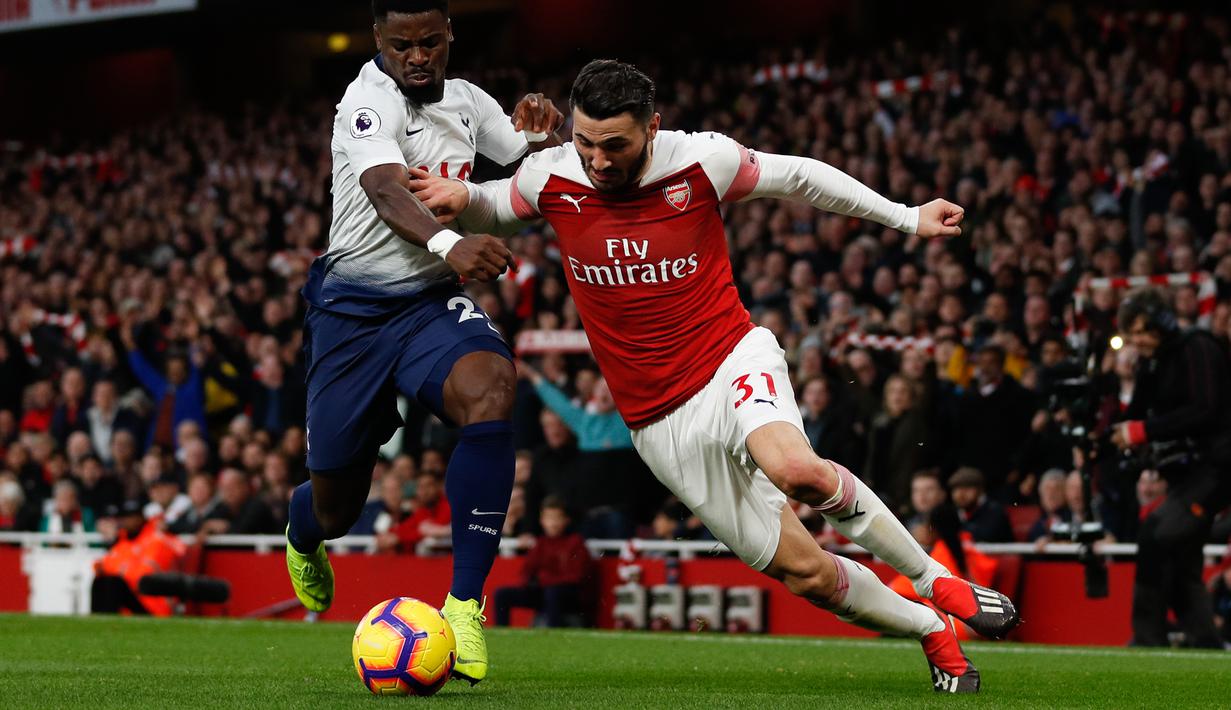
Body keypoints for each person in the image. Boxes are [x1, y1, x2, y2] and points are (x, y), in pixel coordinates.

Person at [412, 59, 1020, 692]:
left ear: (653, 127)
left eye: (615, 145)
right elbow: (493, 207)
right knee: (807, 573)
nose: (597, 160)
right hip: (657, 422)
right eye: (586, 142)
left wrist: (905, 216)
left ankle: (933, 578)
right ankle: (929, 627)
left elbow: (802, 177)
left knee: (795, 469)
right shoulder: (551, 175)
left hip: (729, 357)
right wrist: (464, 199)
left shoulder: (702, 162)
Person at [282, 0, 565, 685]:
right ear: (379, 40)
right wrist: (452, 240)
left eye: (430, 42)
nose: (417, 56)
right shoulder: (365, 102)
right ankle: (303, 528)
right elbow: (384, 189)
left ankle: (464, 605)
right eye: (402, 43)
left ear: (448, 38)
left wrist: (540, 128)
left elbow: (523, 157)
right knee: (336, 508)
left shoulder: (467, 101)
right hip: (350, 315)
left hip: (430, 304)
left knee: (492, 391)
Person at [1111, 288, 1231, 648]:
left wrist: (1141, 431)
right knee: (1181, 559)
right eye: (1132, 333)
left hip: (1218, 468)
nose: (1137, 340)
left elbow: (1204, 409)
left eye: (1142, 331)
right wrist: (1106, 434)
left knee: (1155, 534)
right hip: (1187, 474)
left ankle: (1147, 638)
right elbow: (1135, 416)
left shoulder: (1198, 348)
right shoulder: (1153, 361)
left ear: (1162, 323)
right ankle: (1205, 641)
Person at [493, 497, 591, 627]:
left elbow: (576, 578)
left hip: (567, 596)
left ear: (566, 520)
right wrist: (530, 583)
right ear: (542, 520)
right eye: (549, 518)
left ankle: (553, 633)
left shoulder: (575, 543)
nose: (553, 523)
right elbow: (527, 572)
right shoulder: (541, 543)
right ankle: (502, 632)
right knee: (502, 594)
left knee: (553, 593)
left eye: (557, 518)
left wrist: (544, 580)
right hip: (542, 591)